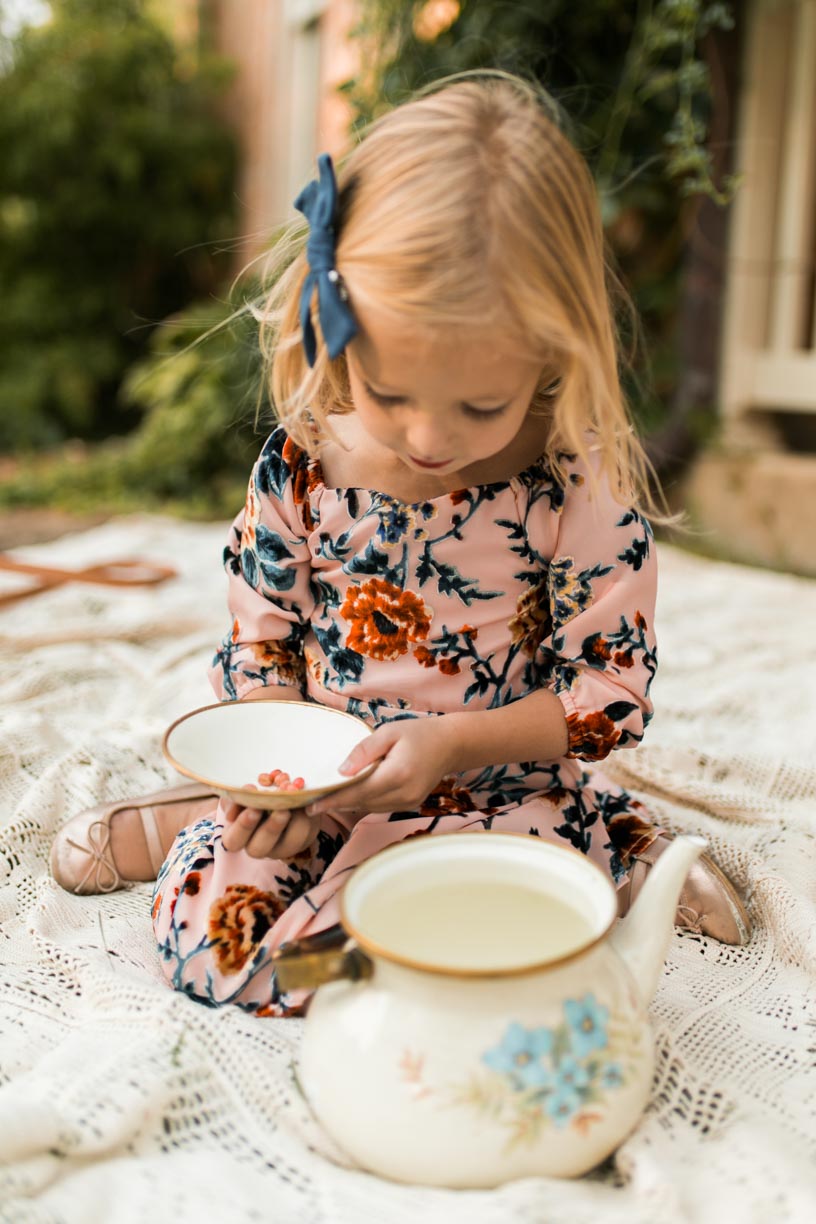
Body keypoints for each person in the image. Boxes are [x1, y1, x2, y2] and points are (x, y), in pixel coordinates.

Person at [51, 75, 751, 1016]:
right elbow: (261, 646)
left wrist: (454, 743)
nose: (428, 437)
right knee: (216, 953)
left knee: (471, 954)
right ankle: (198, 817)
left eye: (480, 405)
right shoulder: (305, 467)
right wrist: (277, 786)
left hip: (497, 797)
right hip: (321, 790)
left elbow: (607, 699)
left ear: (553, 354)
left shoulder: (571, 486)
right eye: (389, 393)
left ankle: (614, 837)